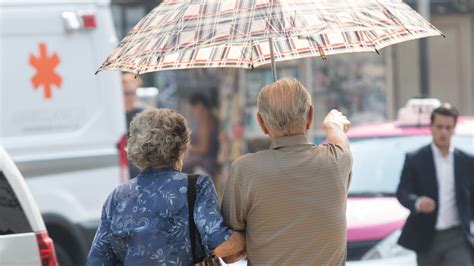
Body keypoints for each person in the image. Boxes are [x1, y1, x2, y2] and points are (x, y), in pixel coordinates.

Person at [87, 108, 245, 265]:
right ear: (180, 147)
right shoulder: (196, 187)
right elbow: (220, 243)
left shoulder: (117, 197)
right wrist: (250, 236)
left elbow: (97, 260)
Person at [221, 77, 353, 265]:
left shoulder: (245, 170)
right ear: (310, 116)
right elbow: (340, 138)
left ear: (261, 122)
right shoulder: (337, 160)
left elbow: (229, 252)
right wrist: (333, 125)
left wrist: (262, 237)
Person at [396, 104, 474, 266]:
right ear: (431, 127)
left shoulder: (467, 161)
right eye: (439, 127)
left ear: (454, 129)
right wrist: (417, 202)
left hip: (457, 237)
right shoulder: (415, 159)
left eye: (448, 127)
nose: (443, 132)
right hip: (427, 237)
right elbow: (403, 191)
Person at [183, 94, 220, 177]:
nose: (192, 113)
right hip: (206, 161)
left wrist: (187, 147)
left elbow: (203, 148)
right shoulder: (208, 119)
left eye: (193, 110)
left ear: (200, 106)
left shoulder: (206, 121)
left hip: (206, 163)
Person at [122, 73, 144, 178]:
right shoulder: (114, 115)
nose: (131, 97)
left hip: (136, 168)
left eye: (134, 93)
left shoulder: (142, 115)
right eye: (127, 93)